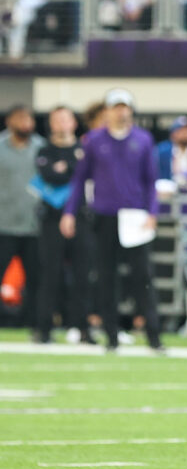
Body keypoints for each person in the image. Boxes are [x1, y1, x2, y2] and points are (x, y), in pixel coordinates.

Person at [61, 89, 163, 352]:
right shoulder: (95, 140)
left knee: (143, 277)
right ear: (107, 111)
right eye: (116, 107)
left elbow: (151, 181)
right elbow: (80, 179)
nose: (121, 112)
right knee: (107, 278)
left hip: (135, 217)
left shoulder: (142, 139)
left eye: (125, 107)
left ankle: (153, 336)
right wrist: (70, 212)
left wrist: (153, 212)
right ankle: (112, 336)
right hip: (105, 215)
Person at [33, 106, 89, 344]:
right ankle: (44, 328)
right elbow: (49, 176)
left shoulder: (85, 149)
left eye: (66, 118)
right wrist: (69, 170)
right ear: (51, 124)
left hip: (82, 218)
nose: (62, 124)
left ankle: (81, 327)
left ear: (74, 123)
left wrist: (66, 169)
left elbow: (83, 175)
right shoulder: (44, 149)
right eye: (57, 120)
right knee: (50, 274)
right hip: (52, 220)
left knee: (83, 274)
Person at [0, 104, 44, 340]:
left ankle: (36, 325)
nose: (25, 123)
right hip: (3, 224)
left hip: (33, 225)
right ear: (9, 121)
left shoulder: (42, 148)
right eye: (20, 118)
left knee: (36, 280)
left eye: (28, 119)